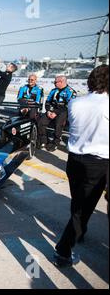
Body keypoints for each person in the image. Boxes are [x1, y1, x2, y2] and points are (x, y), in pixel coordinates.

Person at [53, 65, 109, 267]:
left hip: (75, 159)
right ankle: (63, 250)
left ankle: (80, 232)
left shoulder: (75, 102)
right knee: (82, 210)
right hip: (98, 163)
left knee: (77, 202)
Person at [38, 75, 76, 151]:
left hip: (64, 111)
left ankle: (56, 142)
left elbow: (68, 106)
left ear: (61, 82)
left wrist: (55, 112)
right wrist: (48, 111)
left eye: (55, 82)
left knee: (59, 123)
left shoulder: (71, 91)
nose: (54, 83)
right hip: (52, 110)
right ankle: (44, 140)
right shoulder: (53, 90)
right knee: (41, 121)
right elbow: (48, 102)